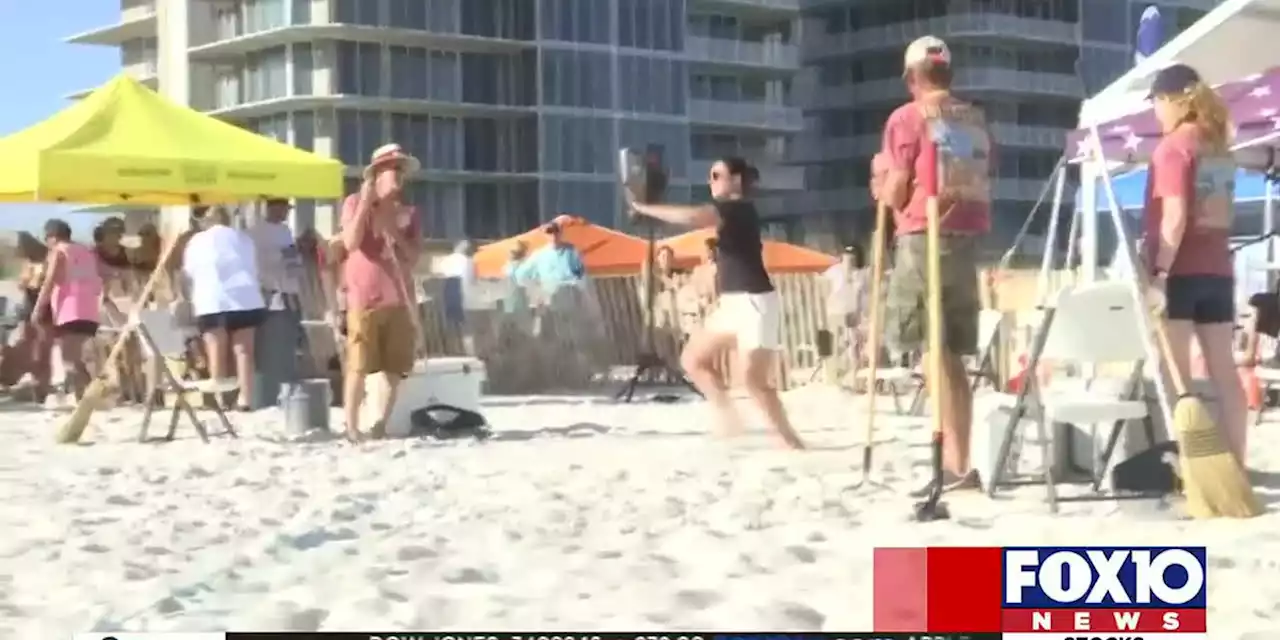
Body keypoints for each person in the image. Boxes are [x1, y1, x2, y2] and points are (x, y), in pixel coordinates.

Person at [874, 35, 993, 492]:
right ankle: (961, 463)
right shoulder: (975, 119)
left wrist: (882, 191)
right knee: (952, 355)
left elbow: (899, 186)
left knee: (931, 349)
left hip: (925, 233)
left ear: (911, 78)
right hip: (967, 233)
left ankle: (950, 465)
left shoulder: (906, 117)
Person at [628, 157, 805, 450]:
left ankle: (791, 441)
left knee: (754, 382)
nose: (710, 181)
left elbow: (695, 217)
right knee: (692, 360)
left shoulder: (737, 208)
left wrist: (645, 208)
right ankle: (729, 419)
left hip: (755, 303)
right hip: (732, 304)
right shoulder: (732, 211)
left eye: (716, 175)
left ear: (735, 180)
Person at [1142, 63, 1248, 465]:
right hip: (1218, 272)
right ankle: (1235, 465)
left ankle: (1195, 466)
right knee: (1226, 376)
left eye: (1156, 103)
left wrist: (1159, 274)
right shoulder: (1218, 147)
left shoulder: (1173, 148)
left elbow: (1175, 217)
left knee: (1179, 379)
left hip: (1180, 274)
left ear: (1173, 101)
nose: (1156, 112)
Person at [339, 143, 422, 442]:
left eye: (401, 169)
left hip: (398, 296)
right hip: (364, 295)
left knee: (394, 366)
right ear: (377, 174)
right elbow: (349, 242)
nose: (398, 175)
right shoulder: (353, 203)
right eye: (392, 168)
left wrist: (395, 231)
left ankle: (379, 424)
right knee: (358, 364)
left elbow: (413, 257)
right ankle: (350, 425)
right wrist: (365, 203)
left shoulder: (409, 212)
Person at [181, 205, 267, 411]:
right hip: (246, 297)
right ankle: (245, 399)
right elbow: (254, 267)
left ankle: (220, 399)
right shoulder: (243, 238)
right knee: (244, 350)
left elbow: (190, 272)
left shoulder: (197, 241)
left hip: (213, 299)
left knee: (216, 348)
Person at [33, 219, 104, 400]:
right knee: (80, 358)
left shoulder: (59, 251)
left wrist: (38, 307)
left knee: (69, 359)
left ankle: (88, 395)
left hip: (69, 310)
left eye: (47, 238)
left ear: (53, 237)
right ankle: (87, 395)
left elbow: (50, 281)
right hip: (90, 309)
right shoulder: (87, 252)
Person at [824, 244, 870, 366]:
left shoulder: (861, 274)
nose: (849, 260)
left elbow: (862, 296)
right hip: (834, 312)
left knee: (854, 337)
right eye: (847, 257)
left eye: (852, 257)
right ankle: (827, 364)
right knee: (827, 334)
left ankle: (854, 364)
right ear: (842, 257)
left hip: (852, 313)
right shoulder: (835, 271)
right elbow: (822, 282)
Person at [514, 222, 586, 296]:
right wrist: (535, 286)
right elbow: (520, 275)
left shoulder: (571, 250)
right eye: (549, 231)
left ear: (560, 232)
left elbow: (581, 272)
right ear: (545, 234)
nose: (553, 234)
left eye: (556, 230)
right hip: (550, 296)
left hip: (570, 293)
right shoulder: (539, 255)